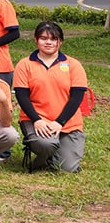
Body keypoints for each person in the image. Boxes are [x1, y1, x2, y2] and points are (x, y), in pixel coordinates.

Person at [13, 21, 89, 173]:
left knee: (67, 168)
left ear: (60, 41)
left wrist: (60, 122)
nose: (48, 42)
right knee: (45, 144)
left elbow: (76, 98)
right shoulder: (25, 64)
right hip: (37, 120)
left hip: (67, 123)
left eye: (53, 39)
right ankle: (45, 154)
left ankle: (51, 156)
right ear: (36, 40)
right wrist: (37, 120)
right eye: (43, 38)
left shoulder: (73, 64)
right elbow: (22, 97)